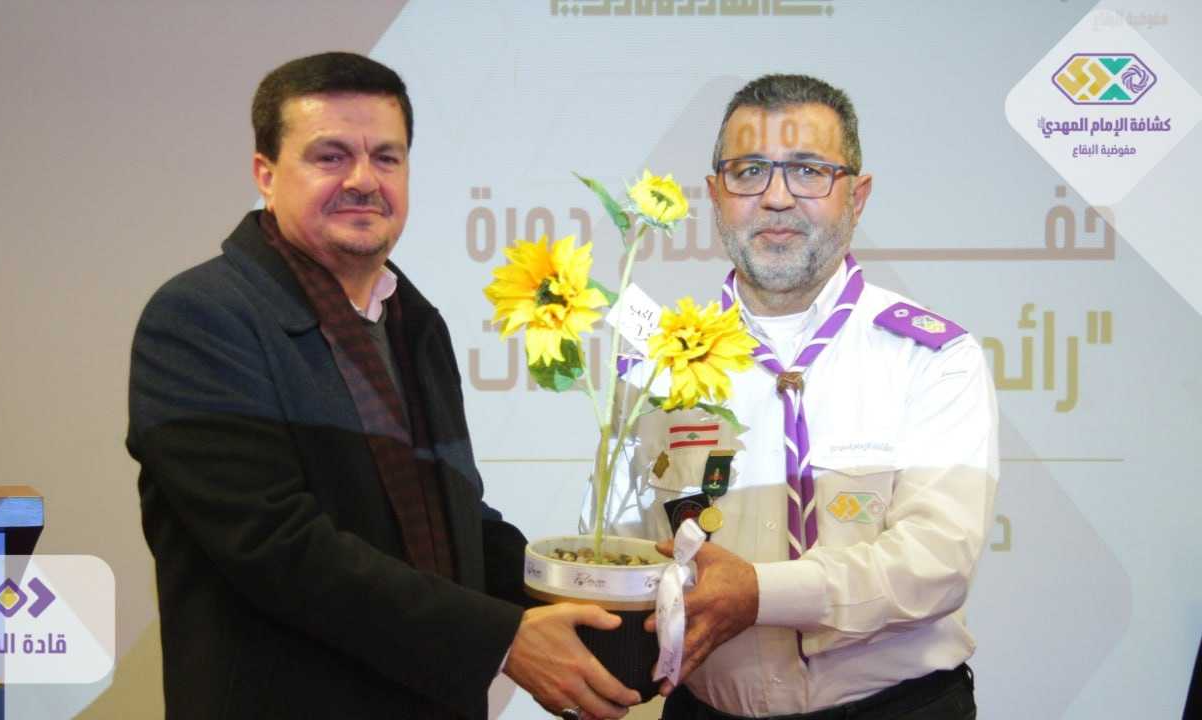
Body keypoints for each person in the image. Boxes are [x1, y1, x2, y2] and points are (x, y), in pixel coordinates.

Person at [127, 52, 640, 720]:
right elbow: (278, 547)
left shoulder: (414, 321)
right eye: (331, 156)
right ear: (265, 175)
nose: (364, 180)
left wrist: (602, 593)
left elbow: (457, 524)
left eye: (386, 157)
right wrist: (501, 640)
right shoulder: (200, 317)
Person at [618, 74, 998, 719]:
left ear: (858, 195)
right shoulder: (658, 364)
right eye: (749, 171)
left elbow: (937, 563)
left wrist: (759, 594)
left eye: (808, 171)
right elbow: (625, 550)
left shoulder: (933, 356)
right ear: (716, 194)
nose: (776, 198)